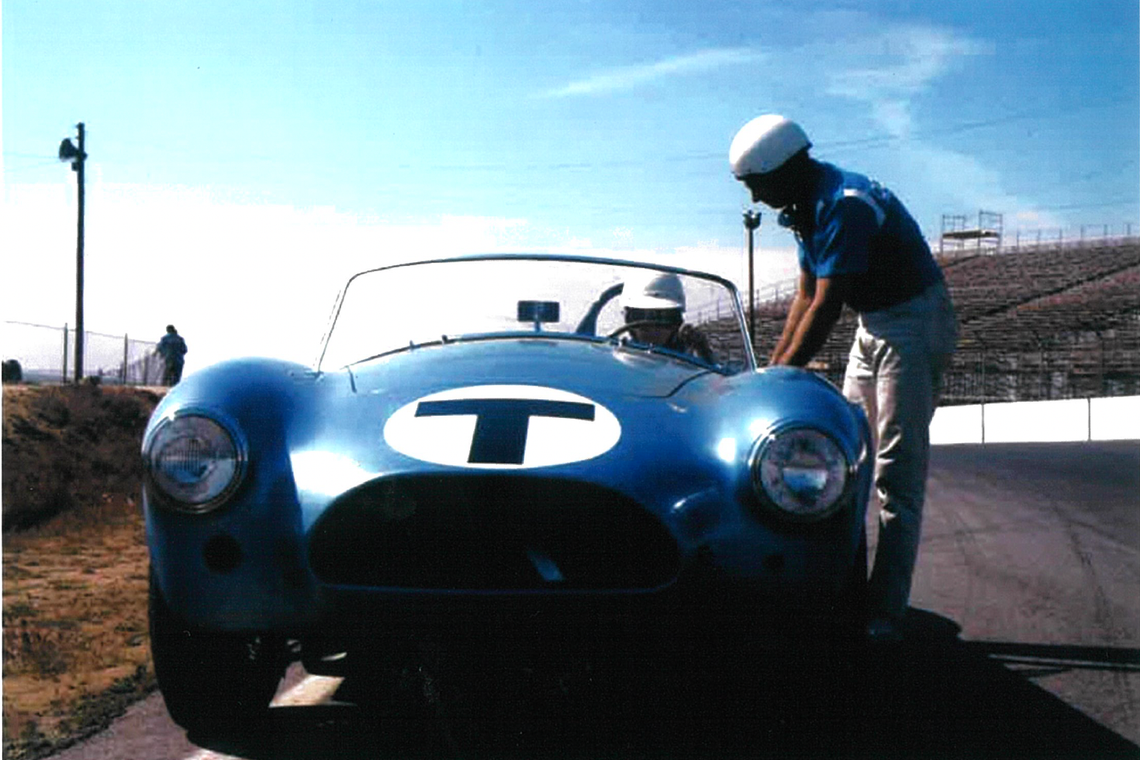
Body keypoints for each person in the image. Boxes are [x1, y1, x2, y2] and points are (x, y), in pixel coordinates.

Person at [729, 114, 958, 641]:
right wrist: (769, 375)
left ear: (781, 168)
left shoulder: (845, 204)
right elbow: (804, 295)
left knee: (894, 473)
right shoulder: (805, 204)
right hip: (873, 322)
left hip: (913, 321)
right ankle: (844, 587)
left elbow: (827, 305)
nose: (756, 199)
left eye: (755, 184)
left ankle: (884, 610)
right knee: (847, 457)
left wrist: (778, 375)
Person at [621, 273, 715, 364]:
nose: (653, 329)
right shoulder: (617, 357)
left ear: (676, 322)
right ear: (629, 320)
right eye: (641, 316)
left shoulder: (688, 363)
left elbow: (713, 377)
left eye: (664, 317)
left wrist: (703, 354)